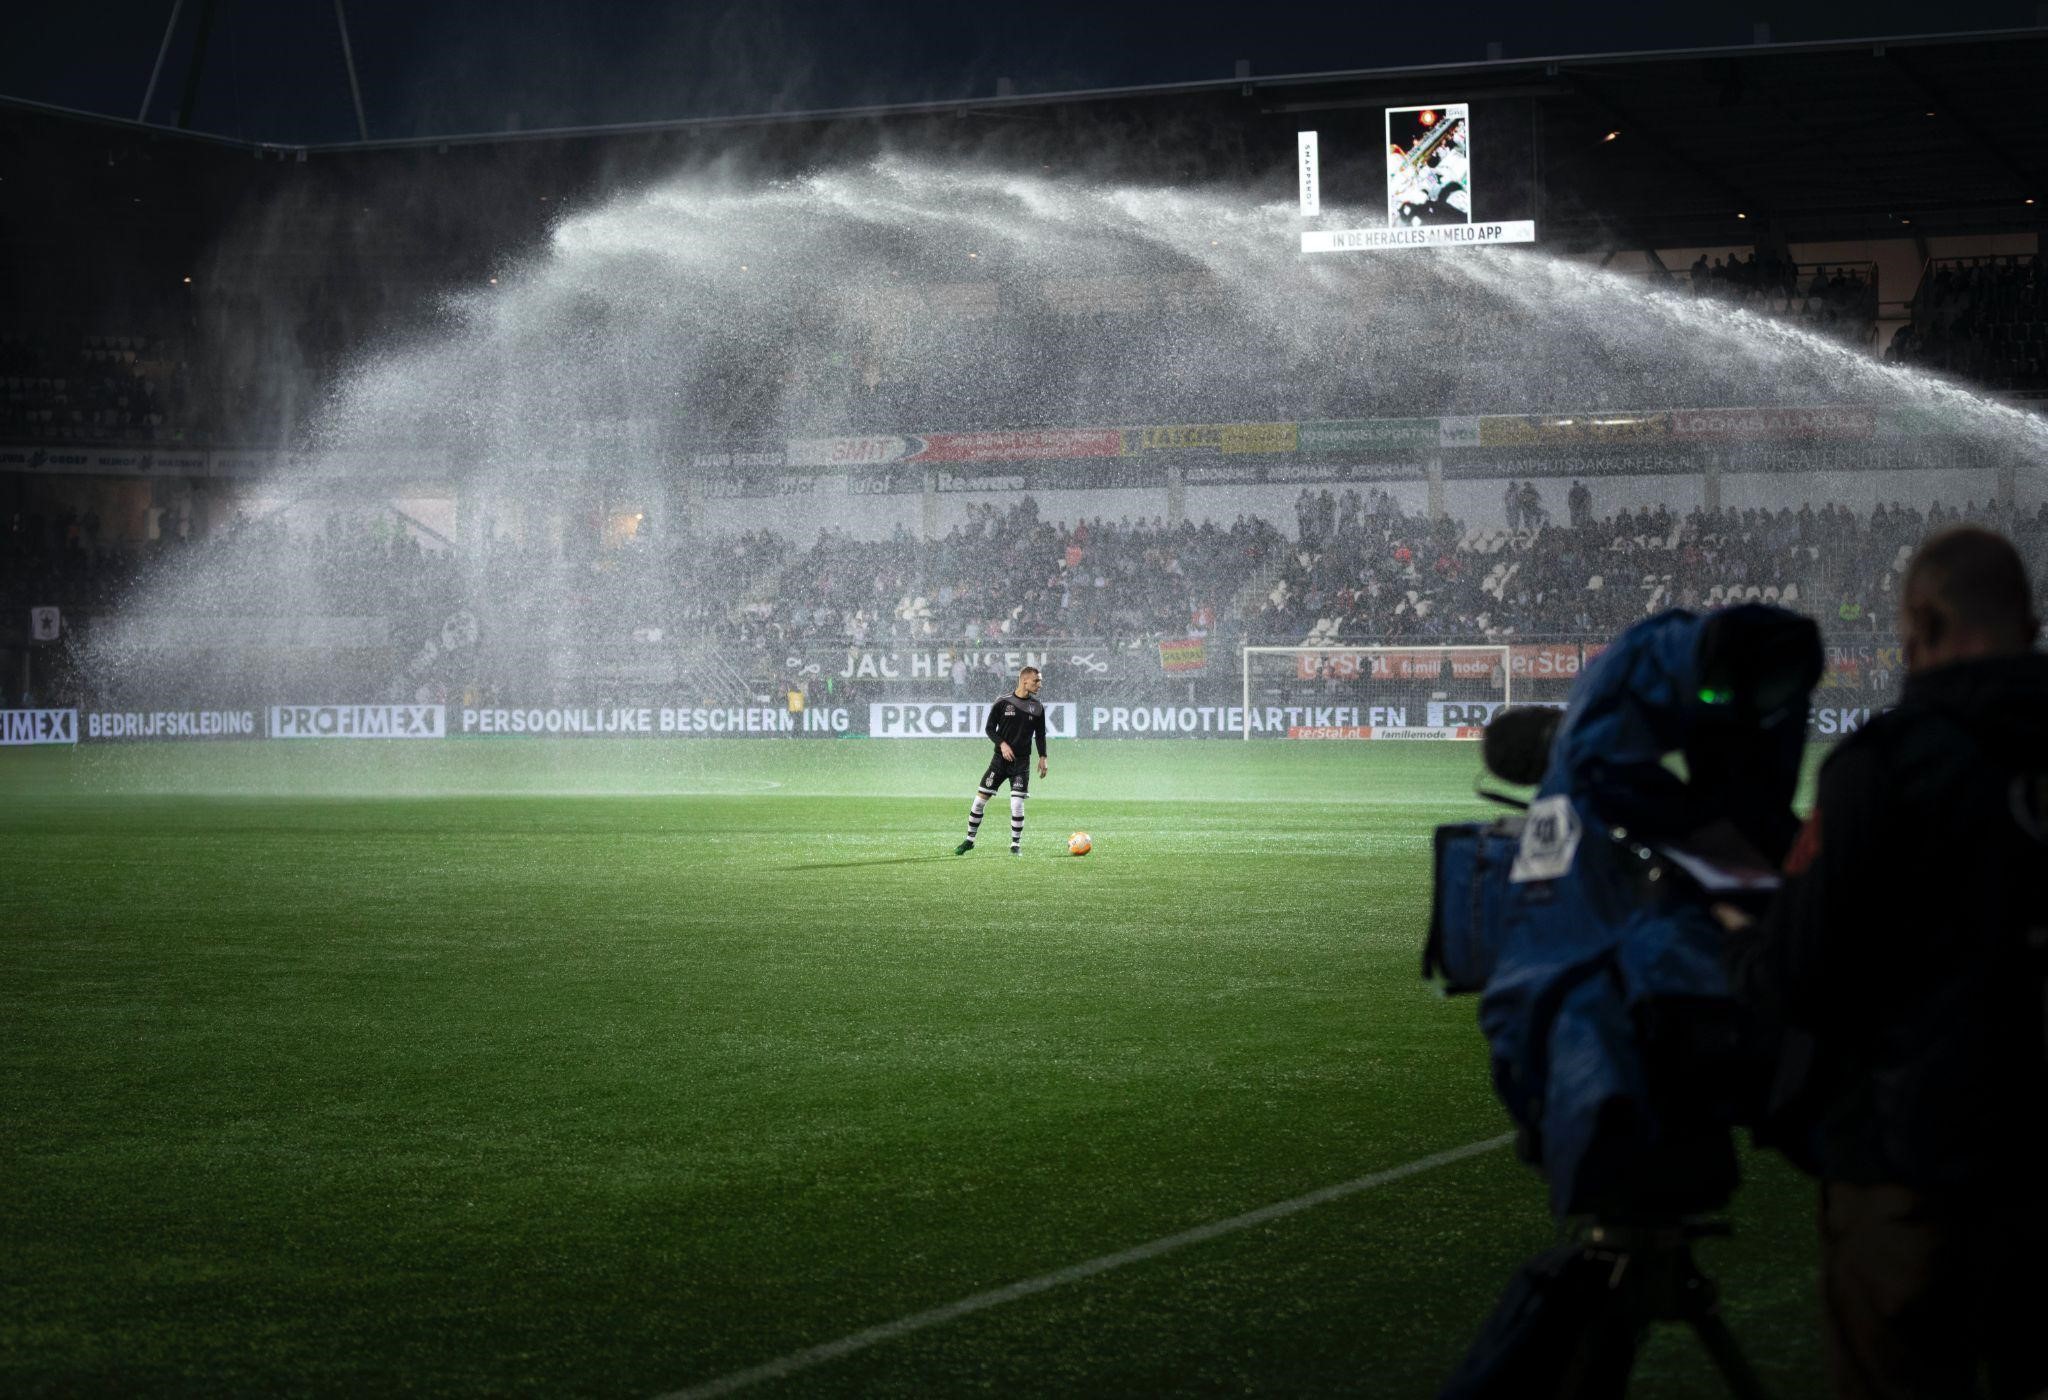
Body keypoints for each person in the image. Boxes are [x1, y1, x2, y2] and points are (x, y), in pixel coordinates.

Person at [1723, 525, 2048, 1400]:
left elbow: (1804, 976)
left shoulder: (1884, 765)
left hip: (1917, 1166)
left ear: (1921, 624)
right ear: (2033, 623)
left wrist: (1738, 941)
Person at [955, 666, 1049, 856]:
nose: (1040, 684)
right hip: (999, 761)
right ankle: (969, 840)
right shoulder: (1002, 702)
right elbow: (990, 729)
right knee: (979, 801)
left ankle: (1015, 845)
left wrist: (1043, 757)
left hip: (1021, 763)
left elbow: (1040, 735)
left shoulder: (1037, 707)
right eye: (1036, 681)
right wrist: (1003, 744)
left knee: (1016, 803)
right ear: (1025, 681)